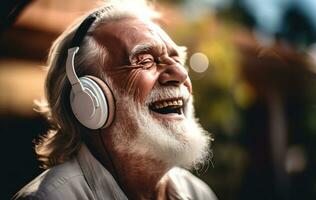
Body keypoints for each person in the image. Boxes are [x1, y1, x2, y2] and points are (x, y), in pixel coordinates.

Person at [13, 1, 216, 199]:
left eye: (177, 60)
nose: (180, 73)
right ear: (90, 100)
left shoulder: (199, 193)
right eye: (145, 60)